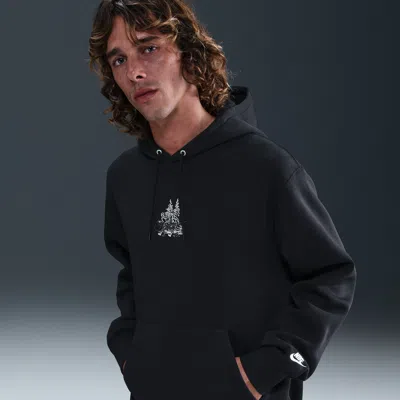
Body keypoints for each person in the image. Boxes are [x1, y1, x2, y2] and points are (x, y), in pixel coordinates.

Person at [88, 1, 357, 400]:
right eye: (119, 59)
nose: (134, 72)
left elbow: (331, 276)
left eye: (149, 48)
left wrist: (264, 369)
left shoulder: (267, 167)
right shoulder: (125, 177)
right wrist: (131, 354)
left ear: (188, 51)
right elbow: (132, 277)